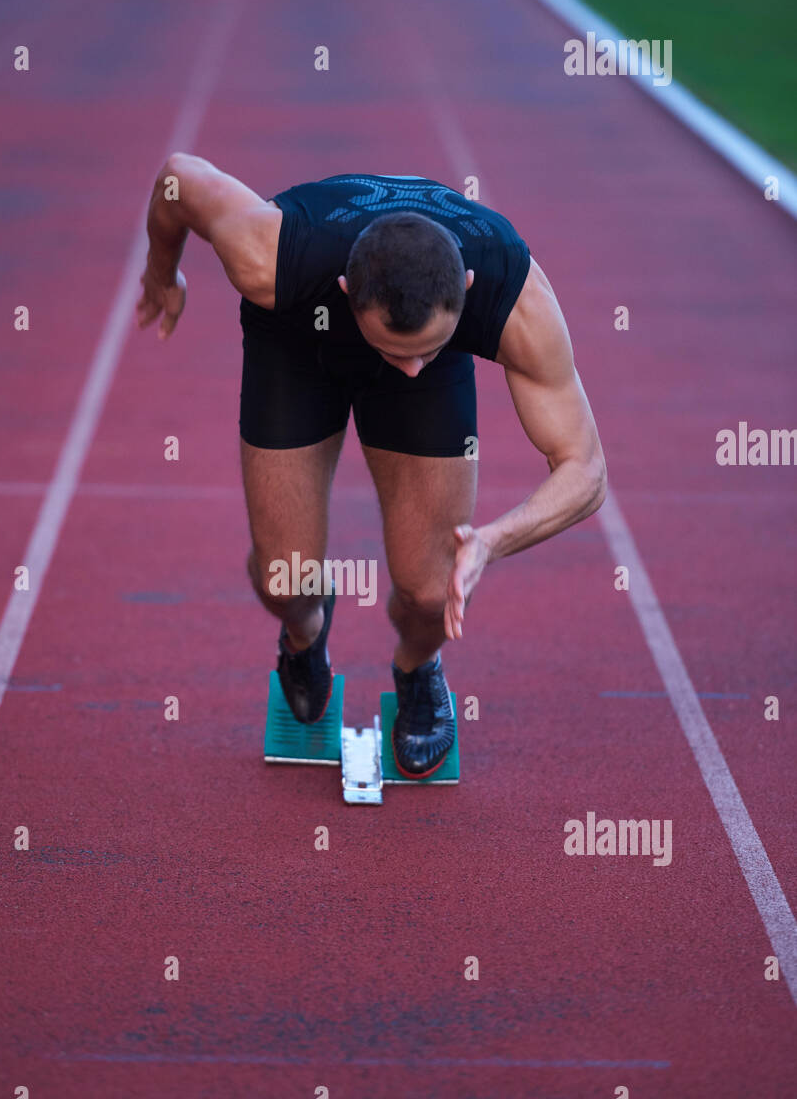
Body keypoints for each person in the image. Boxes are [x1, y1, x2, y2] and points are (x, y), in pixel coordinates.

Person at [137, 159, 606, 778]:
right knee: (286, 582)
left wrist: (492, 542)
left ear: (465, 287)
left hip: (429, 376)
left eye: (426, 350)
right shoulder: (270, 254)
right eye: (394, 351)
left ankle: (417, 670)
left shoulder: (508, 290)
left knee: (431, 590)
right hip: (299, 344)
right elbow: (177, 179)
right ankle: (304, 635)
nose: (408, 367)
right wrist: (161, 272)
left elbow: (587, 469)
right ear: (345, 291)